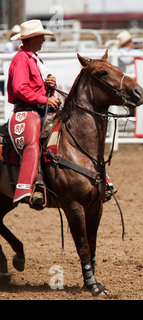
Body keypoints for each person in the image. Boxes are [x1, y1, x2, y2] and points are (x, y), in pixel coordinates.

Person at [7, 19, 60, 209]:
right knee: (34, 143)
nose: (44, 40)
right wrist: (46, 99)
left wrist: (48, 87)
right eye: (41, 37)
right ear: (32, 38)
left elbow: (32, 88)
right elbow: (20, 89)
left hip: (36, 108)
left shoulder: (33, 58)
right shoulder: (22, 58)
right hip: (27, 110)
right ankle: (32, 185)